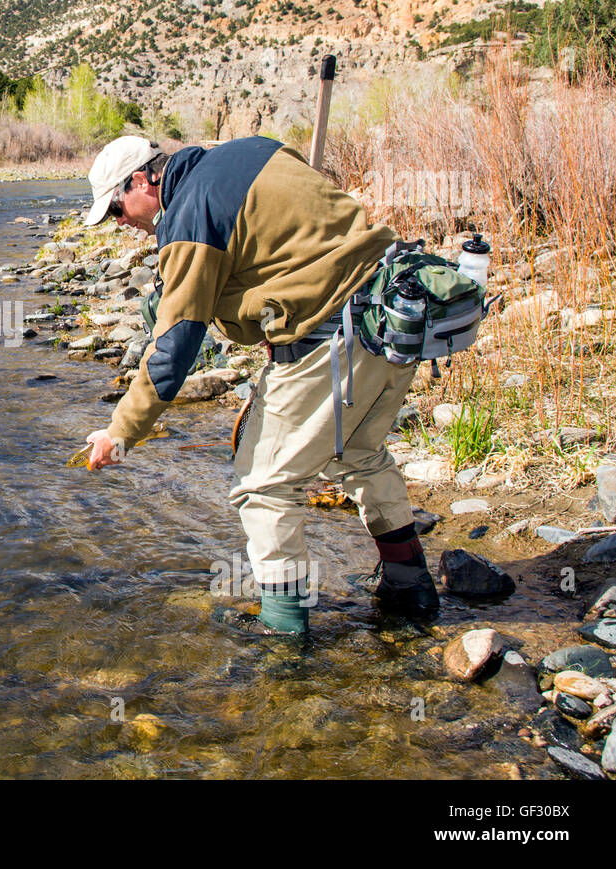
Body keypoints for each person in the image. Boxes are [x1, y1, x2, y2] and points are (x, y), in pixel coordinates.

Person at [82, 135, 440, 635]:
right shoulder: (251, 151)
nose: (120, 221)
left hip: (332, 339)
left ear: (143, 180)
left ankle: (284, 633)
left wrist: (120, 432)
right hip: (397, 315)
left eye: (117, 208)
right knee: (356, 453)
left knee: (263, 488)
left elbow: (173, 353)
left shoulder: (189, 213)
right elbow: (286, 250)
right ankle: (410, 586)